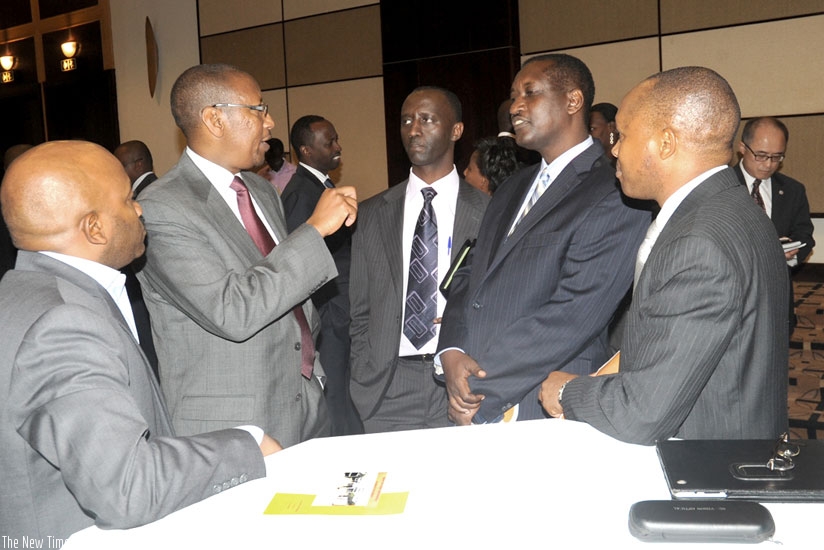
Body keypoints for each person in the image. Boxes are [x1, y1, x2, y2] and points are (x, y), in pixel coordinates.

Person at [0, 140, 280, 541]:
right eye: (128, 199)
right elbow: (127, 486)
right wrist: (247, 444)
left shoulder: (22, 293)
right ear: (94, 227)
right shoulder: (62, 322)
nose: (140, 208)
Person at [540, 67, 789, 444]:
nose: (615, 149)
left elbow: (644, 413)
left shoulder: (699, 241)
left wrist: (564, 391)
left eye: (622, 135)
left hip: (706, 470)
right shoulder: (732, 209)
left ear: (667, 142)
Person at [136, 64, 357, 448]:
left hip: (305, 403)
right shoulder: (162, 207)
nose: (270, 122)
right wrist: (315, 229)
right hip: (234, 428)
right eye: (258, 109)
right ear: (214, 119)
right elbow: (233, 310)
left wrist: (314, 373)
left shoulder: (260, 189)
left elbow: (289, 288)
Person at [437, 54, 648, 425]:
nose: (515, 106)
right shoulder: (512, 187)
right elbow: (469, 275)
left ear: (573, 100)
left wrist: (480, 389)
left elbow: (574, 311)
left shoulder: (614, 189)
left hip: (543, 402)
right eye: (514, 95)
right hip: (471, 387)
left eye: (529, 93)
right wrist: (451, 351)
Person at [349, 86, 490, 432]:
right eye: (406, 120)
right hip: (387, 388)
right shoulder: (371, 213)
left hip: (464, 383)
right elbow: (360, 310)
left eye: (426, 119)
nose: (414, 129)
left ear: (456, 130)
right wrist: (365, 372)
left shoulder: (490, 213)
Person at [281, 115, 362, 436]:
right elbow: (302, 259)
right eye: (329, 142)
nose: (338, 147)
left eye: (337, 139)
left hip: (338, 309)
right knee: (335, 396)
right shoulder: (302, 193)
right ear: (306, 151)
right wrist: (331, 312)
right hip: (328, 314)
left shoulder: (320, 186)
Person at [733, 116, 814, 334]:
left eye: (776, 157)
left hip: (775, 298)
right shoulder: (720, 187)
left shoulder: (793, 190)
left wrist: (788, 253)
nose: (768, 164)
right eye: (761, 155)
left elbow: (805, 235)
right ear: (742, 148)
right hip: (730, 297)